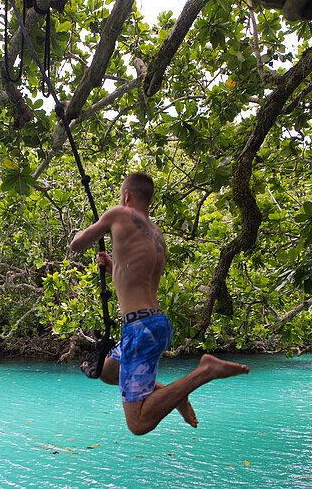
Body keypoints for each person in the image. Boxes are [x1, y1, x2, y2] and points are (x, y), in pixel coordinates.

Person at [69, 172, 249, 436]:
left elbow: (77, 245)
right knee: (108, 372)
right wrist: (112, 267)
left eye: (122, 195)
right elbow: (138, 279)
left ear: (126, 195)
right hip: (156, 323)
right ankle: (174, 395)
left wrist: (86, 231)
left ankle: (205, 371)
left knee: (138, 424)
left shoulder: (118, 213)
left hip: (139, 327)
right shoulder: (157, 236)